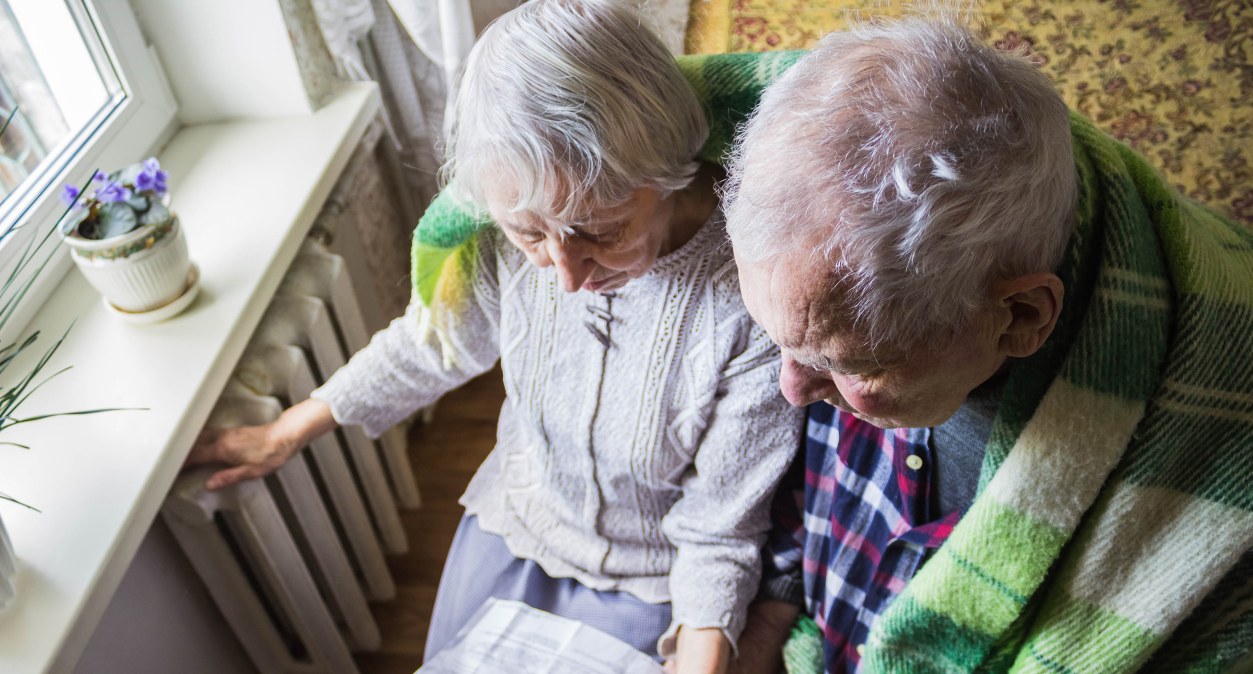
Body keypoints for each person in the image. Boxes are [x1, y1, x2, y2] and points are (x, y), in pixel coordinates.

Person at [187, 2, 801, 672]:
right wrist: (284, 431)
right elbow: (433, 344)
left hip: (661, 575)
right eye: (531, 234)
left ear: (668, 170)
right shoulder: (500, 239)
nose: (564, 276)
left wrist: (702, 650)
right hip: (519, 523)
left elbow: (719, 524)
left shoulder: (757, 294)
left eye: (600, 230)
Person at [720, 18, 1253, 674]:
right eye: (782, 344)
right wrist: (764, 623)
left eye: (853, 365)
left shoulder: (1236, 467)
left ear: (1019, 317)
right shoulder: (845, 298)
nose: (792, 389)